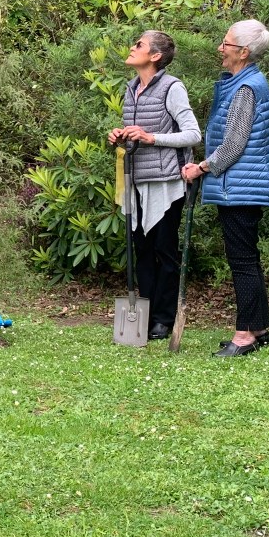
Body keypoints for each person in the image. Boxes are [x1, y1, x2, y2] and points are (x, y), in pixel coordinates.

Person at [183, 19, 269, 357]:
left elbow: (234, 144)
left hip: (240, 187)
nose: (220, 48)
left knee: (242, 261)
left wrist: (201, 167)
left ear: (243, 51)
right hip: (240, 184)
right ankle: (259, 328)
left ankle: (245, 334)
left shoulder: (246, 88)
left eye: (226, 43)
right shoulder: (240, 83)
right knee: (246, 257)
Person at [108, 31, 201, 340]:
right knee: (143, 251)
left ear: (155, 56)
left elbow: (193, 134)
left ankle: (164, 318)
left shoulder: (172, 88)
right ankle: (144, 317)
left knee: (164, 250)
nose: (132, 48)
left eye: (139, 45)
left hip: (166, 182)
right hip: (136, 179)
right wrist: (120, 136)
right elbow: (136, 136)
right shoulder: (131, 88)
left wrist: (151, 137)